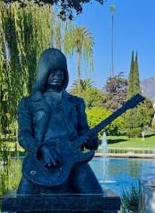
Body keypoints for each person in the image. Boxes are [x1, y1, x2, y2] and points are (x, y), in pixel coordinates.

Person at [17, 48, 101, 194]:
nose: (58, 75)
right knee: (17, 207)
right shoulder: (28, 103)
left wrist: (92, 139)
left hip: (72, 159)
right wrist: (41, 148)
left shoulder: (76, 103)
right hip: (39, 162)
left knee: (97, 198)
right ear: (44, 72)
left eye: (61, 71)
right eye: (52, 71)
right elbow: (24, 135)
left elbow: (85, 131)